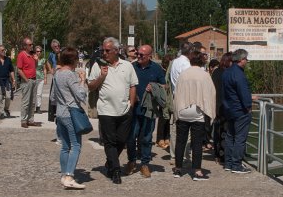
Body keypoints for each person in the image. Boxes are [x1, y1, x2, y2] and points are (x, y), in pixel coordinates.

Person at [87, 37, 138, 184]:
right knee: (109, 142)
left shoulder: (127, 66)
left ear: (116, 51)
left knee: (121, 140)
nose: (104, 53)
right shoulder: (98, 65)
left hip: (124, 110)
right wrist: (102, 76)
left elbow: (133, 85)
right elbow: (91, 86)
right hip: (106, 110)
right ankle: (115, 170)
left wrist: (131, 105)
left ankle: (110, 161)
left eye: (107, 50)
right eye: (103, 50)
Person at [172, 49, 217, 180]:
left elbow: (177, 92)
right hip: (198, 111)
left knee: (180, 141)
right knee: (197, 143)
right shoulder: (204, 75)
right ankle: (197, 171)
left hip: (183, 110)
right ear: (202, 62)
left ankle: (178, 169)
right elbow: (211, 93)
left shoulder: (183, 74)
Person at [50, 46, 88, 189]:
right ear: (73, 60)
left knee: (65, 146)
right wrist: (82, 81)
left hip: (60, 112)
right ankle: (69, 176)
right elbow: (80, 95)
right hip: (70, 113)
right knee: (76, 145)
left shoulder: (57, 74)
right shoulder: (70, 75)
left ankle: (64, 174)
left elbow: (53, 97)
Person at [126, 44, 165, 178]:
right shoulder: (132, 67)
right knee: (131, 137)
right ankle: (131, 161)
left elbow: (164, 86)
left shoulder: (156, 69)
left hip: (149, 110)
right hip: (133, 109)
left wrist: (154, 87)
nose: (138, 56)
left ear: (149, 56)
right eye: (137, 54)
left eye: (141, 55)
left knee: (147, 138)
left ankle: (144, 164)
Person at [221, 48, 254, 174]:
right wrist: (248, 107)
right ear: (241, 59)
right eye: (246, 59)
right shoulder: (239, 74)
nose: (246, 61)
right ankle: (236, 165)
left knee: (230, 136)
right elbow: (243, 92)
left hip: (228, 109)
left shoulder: (226, 72)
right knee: (240, 138)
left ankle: (228, 163)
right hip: (240, 110)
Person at [210, 52, 233, 164]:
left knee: (218, 131)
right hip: (225, 106)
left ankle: (217, 155)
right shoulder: (228, 73)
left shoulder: (216, 72)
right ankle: (223, 156)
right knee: (225, 131)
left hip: (217, 105)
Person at [16, 36, 41, 128]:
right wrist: (26, 80)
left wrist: (36, 60)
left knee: (33, 101)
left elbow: (35, 66)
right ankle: (23, 120)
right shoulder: (21, 55)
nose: (32, 46)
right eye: (30, 44)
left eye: (32, 44)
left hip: (34, 79)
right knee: (26, 101)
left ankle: (30, 120)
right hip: (27, 80)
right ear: (25, 46)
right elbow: (19, 69)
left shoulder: (32, 55)